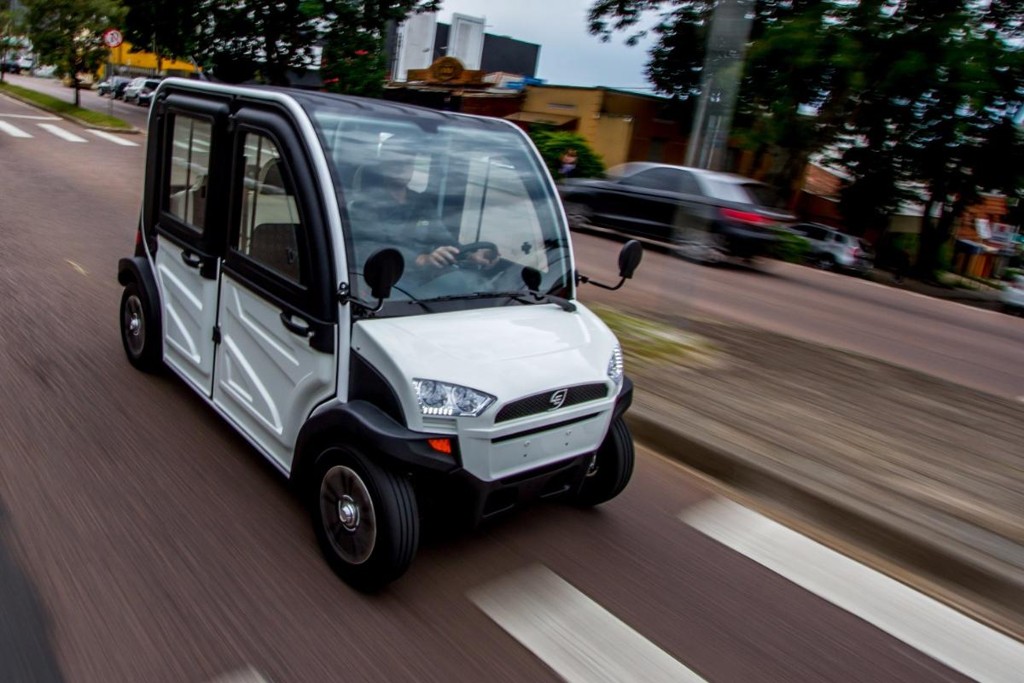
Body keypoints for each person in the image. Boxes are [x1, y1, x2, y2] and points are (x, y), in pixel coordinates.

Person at [349, 153, 498, 273]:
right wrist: (420, 260)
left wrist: (470, 255)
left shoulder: (421, 202)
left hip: (424, 279)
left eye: (408, 162)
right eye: (396, 162)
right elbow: (362, 249)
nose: (403, 168)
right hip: (389, 281)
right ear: (383, 166)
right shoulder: (365, 206)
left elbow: (443, 237)